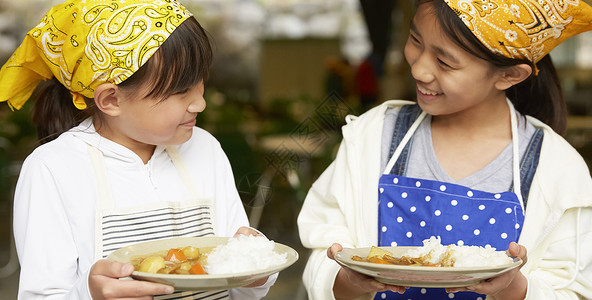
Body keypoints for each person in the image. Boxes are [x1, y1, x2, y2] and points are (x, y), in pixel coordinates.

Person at [297, 0, 592, 299]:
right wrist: (347, 281)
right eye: (415, 40)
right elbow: (324, 250)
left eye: (445, 62)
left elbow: (573, 290)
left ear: (509, 75)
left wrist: (514, 289)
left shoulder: (558, 169)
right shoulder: (374, 136)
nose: (420, 69)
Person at [0, 0, 277, 299]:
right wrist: (90, 294)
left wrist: (254, 271)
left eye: (201, 83)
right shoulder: (53, 168)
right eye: (181, 91)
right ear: (111, 100)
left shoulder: (205, 148)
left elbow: (236, 289)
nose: (200, 103)